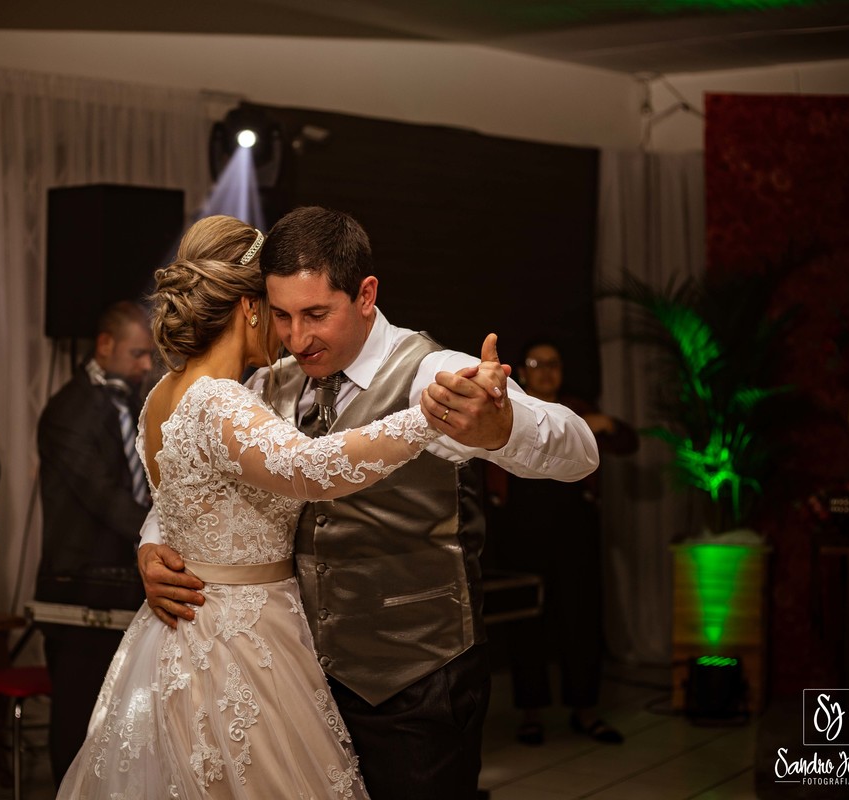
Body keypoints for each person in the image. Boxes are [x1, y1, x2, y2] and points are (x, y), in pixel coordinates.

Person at [138, 207, 601, 799]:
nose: (296, 338)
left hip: (416, 684)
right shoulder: (262, 384)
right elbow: (199, 483)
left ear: (365, 295)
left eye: (315, 315)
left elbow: (581, 450)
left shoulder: (433, 372)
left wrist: (501, 429)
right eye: (281, 315)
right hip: (294, 681)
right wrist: (153, 546)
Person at [56, 214, 470, 799]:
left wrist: (150, 546)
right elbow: (312, 469)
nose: (291, 335)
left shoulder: (162, 395)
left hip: (185, 634)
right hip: (241, 644)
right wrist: (426, 416)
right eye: (278, 313)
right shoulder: (219, 400)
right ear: (250, 308)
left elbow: (180, 504)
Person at [492, 339, 639, 746]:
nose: (546, 371)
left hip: (574, 527)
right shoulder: (510, 405)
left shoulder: (575, 410)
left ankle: (585, 710)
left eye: (553, 363)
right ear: (523, 371)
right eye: (537, 363)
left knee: (581, 616)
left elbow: (628, 441)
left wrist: (604, 424)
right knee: (527, 621)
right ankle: (531, 713)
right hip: (521, 527)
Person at [34, 301, 155, 786]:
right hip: (79, 586)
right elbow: (104, 497)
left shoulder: (133, 402)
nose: (145, 365)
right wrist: (165, 532)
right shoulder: (69, 409)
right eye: (137, 353)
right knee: (78, 721)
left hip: (125, 584)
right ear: (105, 345)